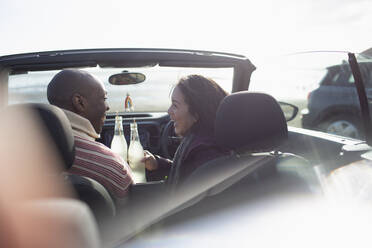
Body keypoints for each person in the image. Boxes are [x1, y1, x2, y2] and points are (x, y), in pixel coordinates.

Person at [47, 69, 133, 205]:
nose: (108, 107)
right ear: (79, 102)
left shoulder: (14, 158)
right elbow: (134, 215)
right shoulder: (111, 166)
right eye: (104, 99)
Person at [144, 74, 229, 187]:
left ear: (196, 113)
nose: (169, 111)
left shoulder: (206, 154)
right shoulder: (199, 143)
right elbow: (185, 173)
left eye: (175, 105)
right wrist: (157, 164)